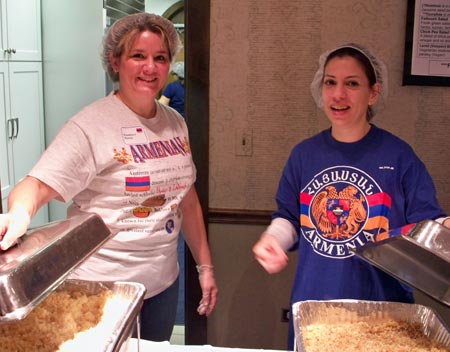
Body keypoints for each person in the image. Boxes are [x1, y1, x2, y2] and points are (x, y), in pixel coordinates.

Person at [0, 13, 218, 342]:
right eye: (138, 56)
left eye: (160, 58)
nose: (150, 68)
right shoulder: (90, 126)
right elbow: (36, 185)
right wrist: (18, 214)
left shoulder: (175, 122)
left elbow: (185, 199)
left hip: (162, 285)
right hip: (102, 288)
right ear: (115, 62)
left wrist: (205, 267)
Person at [252, 43, 450, 350]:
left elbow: (428, 226)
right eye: (330, 82)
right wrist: (274, 239)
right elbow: (289, 217)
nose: (338, 94)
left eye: (352, 83)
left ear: (373, 93)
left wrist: (444, 228)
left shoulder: (399, 157)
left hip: (382, 316)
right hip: (314, 306)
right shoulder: (304, 156)